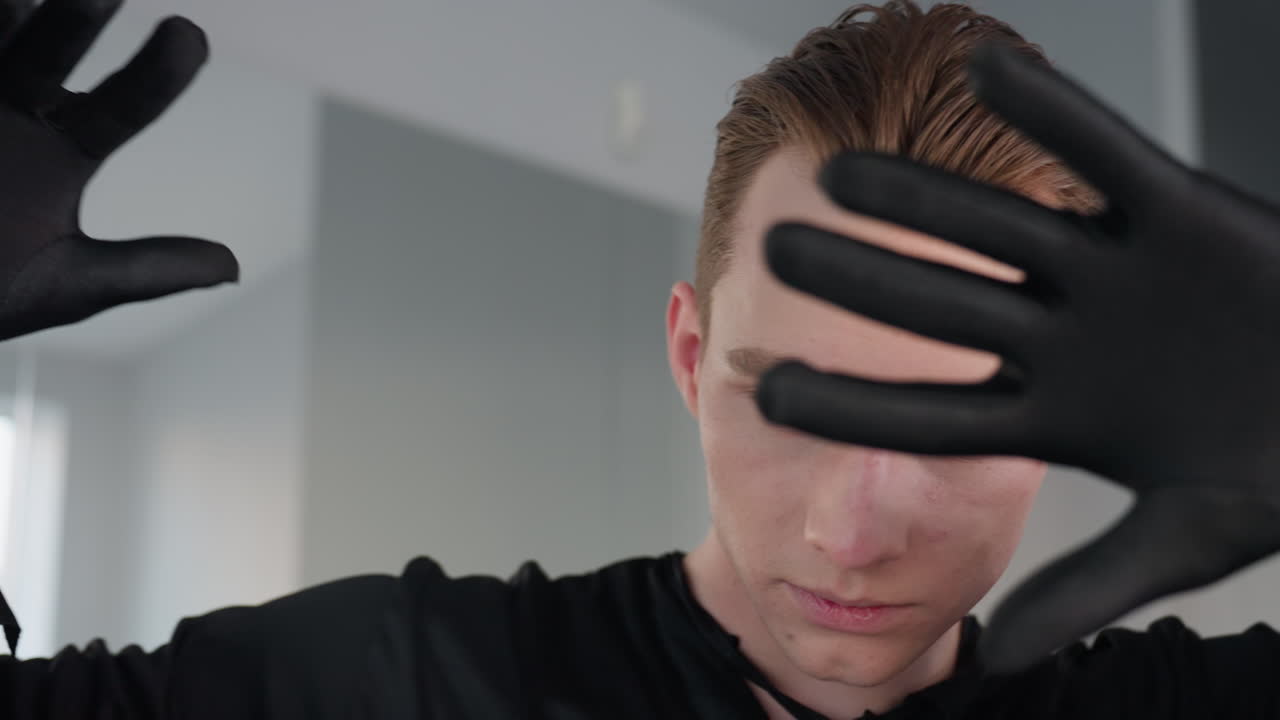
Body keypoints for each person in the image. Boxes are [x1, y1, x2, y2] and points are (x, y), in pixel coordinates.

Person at [2, 0, 1278, 718]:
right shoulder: (398, 686)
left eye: (960, 418)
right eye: (790, 399)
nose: (853, 532)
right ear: (687, 350)